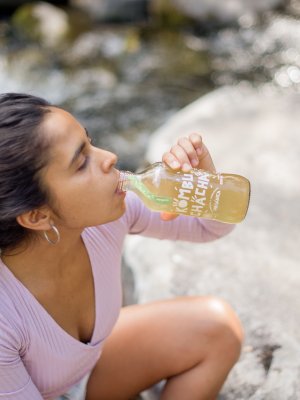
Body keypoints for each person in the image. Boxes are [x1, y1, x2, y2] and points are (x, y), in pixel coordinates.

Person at [0, 93, 243, 400]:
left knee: (216, 328)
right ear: (37, 215)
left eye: (90, 142)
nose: (109, 157)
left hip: (80, 375)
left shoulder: (106, 217)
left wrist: (202, 187)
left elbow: (207, 227)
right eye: (82, 162)